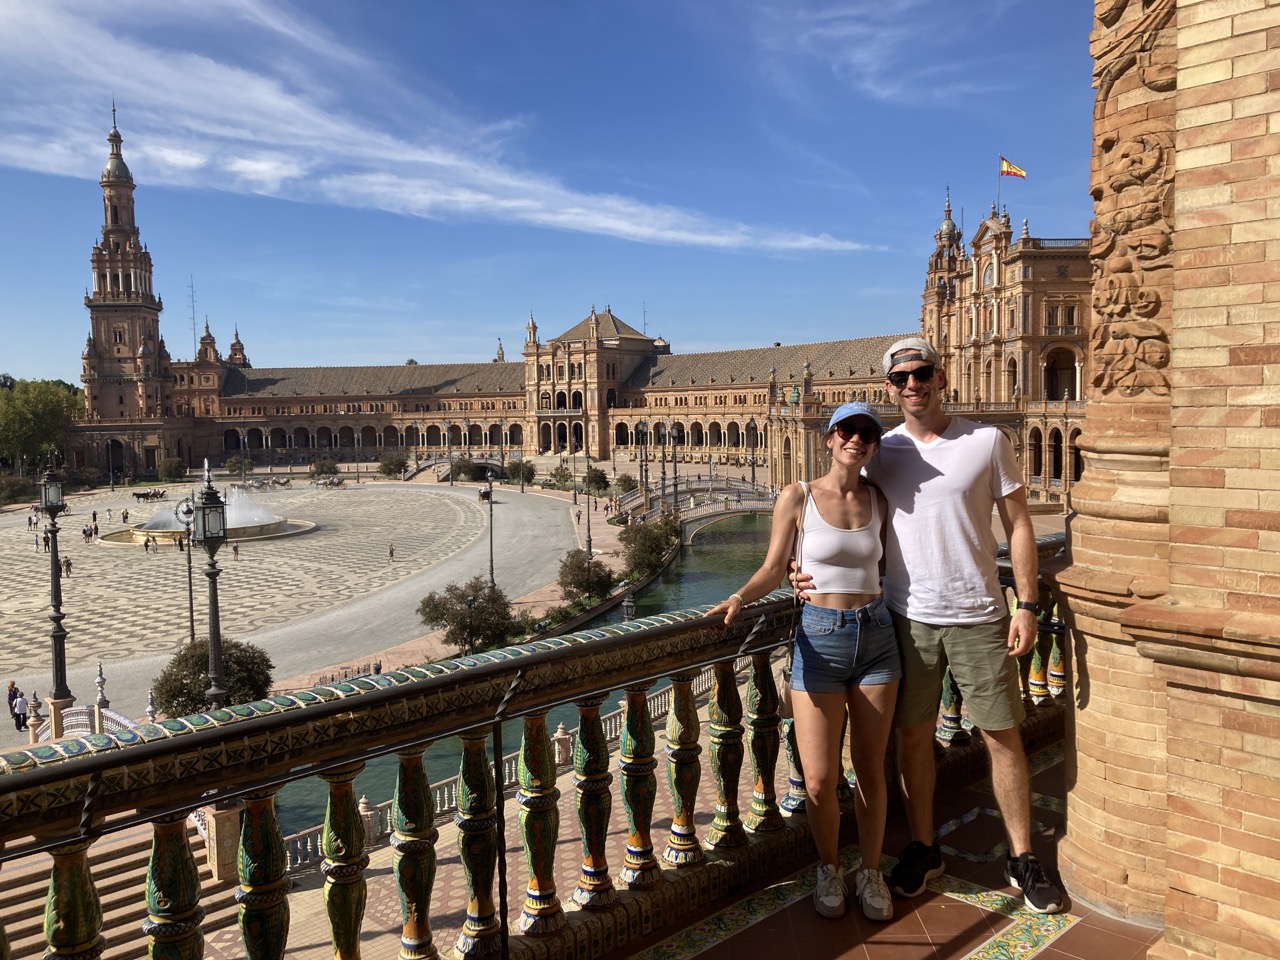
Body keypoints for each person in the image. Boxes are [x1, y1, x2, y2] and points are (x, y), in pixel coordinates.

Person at [797, 337, 1063, 914]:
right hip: (905, 617)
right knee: (912, 739)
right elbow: (836, 505)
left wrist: (1026, 602)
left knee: (1002, 736)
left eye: (921, 374)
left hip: (979, 613)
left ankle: (1022, 856)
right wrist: (803, 566)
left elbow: (1018, 523)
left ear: (941, 377)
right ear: (888, 388)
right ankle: (923, 846)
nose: (912, 385)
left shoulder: (986, 440)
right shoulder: (881, 449)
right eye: (901, 379)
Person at [711, 401, 899, 922]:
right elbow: (774, 567)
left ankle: (871, 871)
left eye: (867, 433)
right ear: (829, 438)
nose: (856, 439)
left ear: (874, 446)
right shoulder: (798, 496)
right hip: (820, 639)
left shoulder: (879, 499)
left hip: (877, 636)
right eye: (847, 430)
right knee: (817, 779)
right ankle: (829, 867)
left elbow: (887, 568)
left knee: (870, 770)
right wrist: (739, 597)